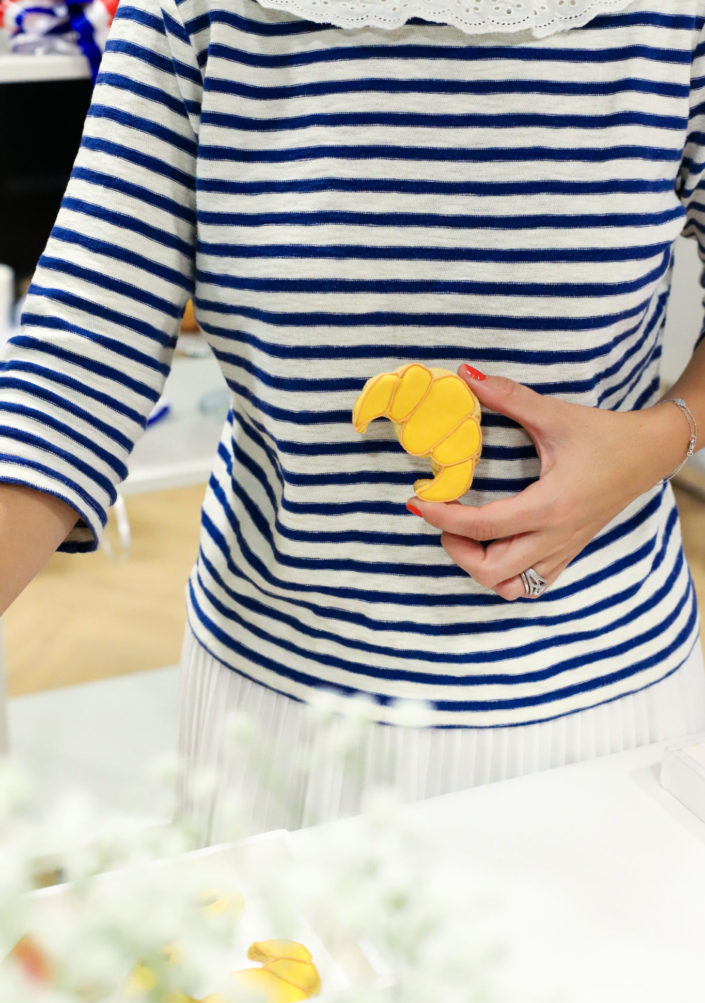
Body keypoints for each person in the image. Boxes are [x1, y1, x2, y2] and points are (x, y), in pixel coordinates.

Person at [1, 0, 705, 840]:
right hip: (273, 710)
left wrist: (666, 434)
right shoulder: (194, 15)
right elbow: (80, 350)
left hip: (596, 702)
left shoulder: (671, 20)